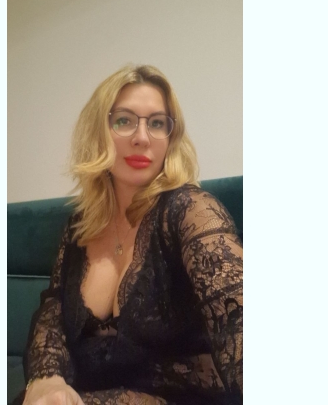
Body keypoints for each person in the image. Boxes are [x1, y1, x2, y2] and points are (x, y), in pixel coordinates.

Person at [21, 65, 243, 405]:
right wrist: (47, 380)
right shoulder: (81, 225)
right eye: (124, 120)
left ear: (170, 138)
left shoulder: (190, 212)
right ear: (98, 132)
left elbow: (239, 318)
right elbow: (52, 313)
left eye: (157, 123)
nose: (142, 137)